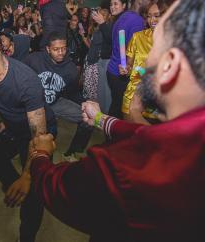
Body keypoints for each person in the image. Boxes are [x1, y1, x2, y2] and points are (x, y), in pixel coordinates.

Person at [27, 0, 205, 241]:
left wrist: (40, 156)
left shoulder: (124, 167)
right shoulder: (189, 132)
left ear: (170, 67)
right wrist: (102, 120)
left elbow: (60, 190)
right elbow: (157, 136)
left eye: (154, 51)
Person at [0, 22, 57, 242]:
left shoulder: (26, 82)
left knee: (33, 195)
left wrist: (26, 176)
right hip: (14, 124)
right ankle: (13, 187)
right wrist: (7, 118)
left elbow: (38, 137)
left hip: (39, 133)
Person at [24, 31, 92, 161]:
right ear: (48, 49)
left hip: (55, 102)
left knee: (87, 119)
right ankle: (26, 151)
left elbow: (72, 93)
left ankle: (73, 152)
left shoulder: (71, 69)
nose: (60, 53)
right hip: (35, 104)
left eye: (63, 49)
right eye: (56, 49)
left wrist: (85, 103)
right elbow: (19, 79)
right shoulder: (34, 59)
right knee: (36, 134)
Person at [120, 0, 171, 124]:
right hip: (134, 93)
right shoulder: (138, 37)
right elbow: (129, 65)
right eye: (149, 16)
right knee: (128, 137)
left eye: (156, 16)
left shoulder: (173, 41)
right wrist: (126, 69)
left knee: (151, 139)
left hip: (158, 101)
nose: (151, 20)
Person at [107, 0, 151, 118]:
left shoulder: (123, 16)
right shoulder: (137, 21)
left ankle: (110, 133)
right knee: (120, 111)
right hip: (122, 72)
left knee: (115, 107)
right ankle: (113, 134)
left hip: (112, 70)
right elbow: (134, 56)